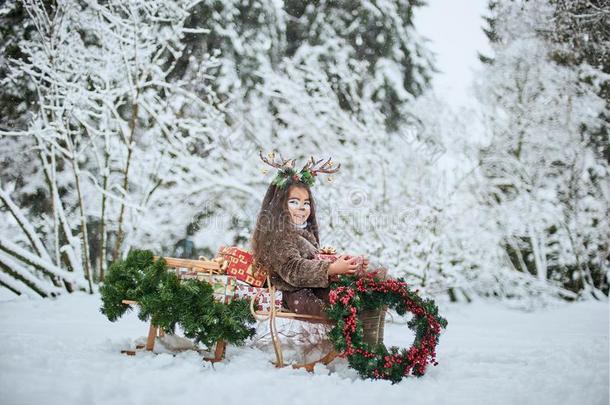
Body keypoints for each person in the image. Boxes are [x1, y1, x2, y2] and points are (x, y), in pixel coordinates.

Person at [250, 151, 388, 345]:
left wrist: (348, 265)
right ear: (279, 205)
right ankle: (367, 348)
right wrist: (331, 269)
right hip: (300, 295)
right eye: (294, 202)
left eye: (306, 203)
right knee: (355, 296)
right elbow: (293, 269)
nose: (302, 207)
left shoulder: (303, 232)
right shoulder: (280, 234)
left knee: (373, 280)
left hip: (313, 288)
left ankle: (374, 345)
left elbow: (315, 260)